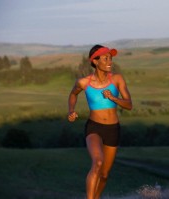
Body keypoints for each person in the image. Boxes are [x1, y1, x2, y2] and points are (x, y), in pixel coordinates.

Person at [68, 45, 132, 199]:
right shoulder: (84, 82)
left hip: (113, 129)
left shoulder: (117, 79)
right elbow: (73, 94)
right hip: (94, 128)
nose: (110, 61)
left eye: (110, 58)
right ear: (95, 61)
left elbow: (129, 104)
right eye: (105, 58)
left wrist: (113, 98)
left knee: (104, 174)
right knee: (97, 162)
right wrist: (71, 110)